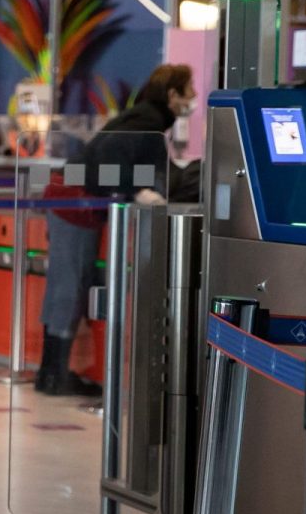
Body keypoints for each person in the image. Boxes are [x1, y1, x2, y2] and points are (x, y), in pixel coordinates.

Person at [36, 63, 198, 396]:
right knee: (71, 285)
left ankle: (50, 372)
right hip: (76, 205)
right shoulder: (149, 121)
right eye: (189, 90)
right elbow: (112, 162)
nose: (194, 97)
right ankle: (55, 375)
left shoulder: (143, 117)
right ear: (173, 95)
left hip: (69, 198)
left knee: (65, 284)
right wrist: (138, 190)